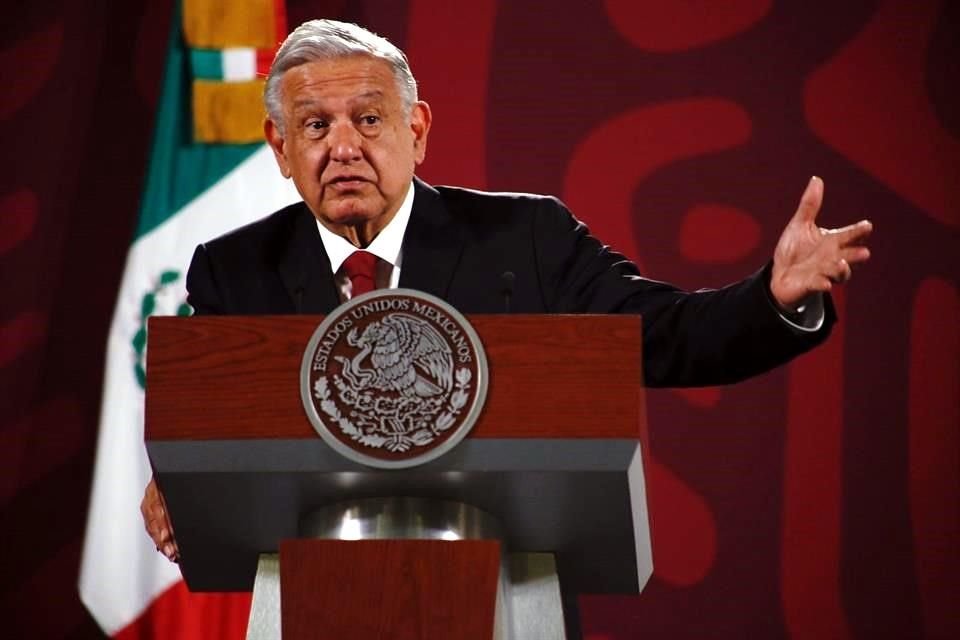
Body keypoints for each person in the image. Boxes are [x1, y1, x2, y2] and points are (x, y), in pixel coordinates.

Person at [142, 19, 872, 562]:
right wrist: (174, 479)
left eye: (369, 120)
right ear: (280, 149)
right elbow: (214, 415)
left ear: (417, 130)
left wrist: (776, 297)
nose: (343, 147)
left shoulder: (526, 238)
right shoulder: (231, 269)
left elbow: (666, 336)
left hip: (507, 582)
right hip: (306, 584)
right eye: (315, 126)